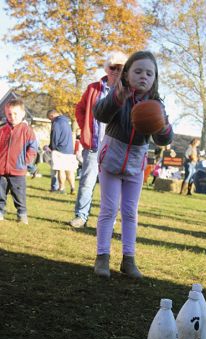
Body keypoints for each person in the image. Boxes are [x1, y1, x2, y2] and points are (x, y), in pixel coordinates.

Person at [93, 50, 174, 279]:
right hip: (112, 159)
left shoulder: (156, 104)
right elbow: (100, 113)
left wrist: (164, 127)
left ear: (154, 78)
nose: (143, 76)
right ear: (126, 74)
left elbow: (163, 139)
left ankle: (129, 260)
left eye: (149, 73)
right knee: (109, 209)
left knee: (130, 212)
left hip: (136, 163)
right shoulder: (117, 96)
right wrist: (118, 98)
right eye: (138, 71)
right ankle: (102, 257)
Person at [69, 51, 127, 228]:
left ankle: (109, 220)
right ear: (106, 69)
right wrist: (85, 127)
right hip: (94, 145)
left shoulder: (128, 92)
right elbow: (80, 109)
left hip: (116, 147)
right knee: (87, 183)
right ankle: (81, 216)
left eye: (121, 68)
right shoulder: (93, 88)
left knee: (112, 188)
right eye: (113, 67)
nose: (116, 71)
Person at [0, 99, 37, 224]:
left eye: (15, 114)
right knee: (0, 194)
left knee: (18, 194)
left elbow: (33, 148)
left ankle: (22, 214)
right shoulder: (2, 130)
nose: (12, 117)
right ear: (6, 114)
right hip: (1, 170)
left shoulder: (27, 131)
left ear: (22, 114)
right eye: (9, 114)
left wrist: (25, 162)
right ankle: (0, 212)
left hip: (18, 170)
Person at [47, 109, 77, 194]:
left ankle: (61, 188)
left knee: (61, 169)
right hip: (69, 150)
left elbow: (55, 137)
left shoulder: (56, 123)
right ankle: (73, 188)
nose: (51, 121)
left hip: (60, 150)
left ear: (52, 116)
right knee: (69, 170)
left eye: (50, 119)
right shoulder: (66, 121)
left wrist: (52, 147)